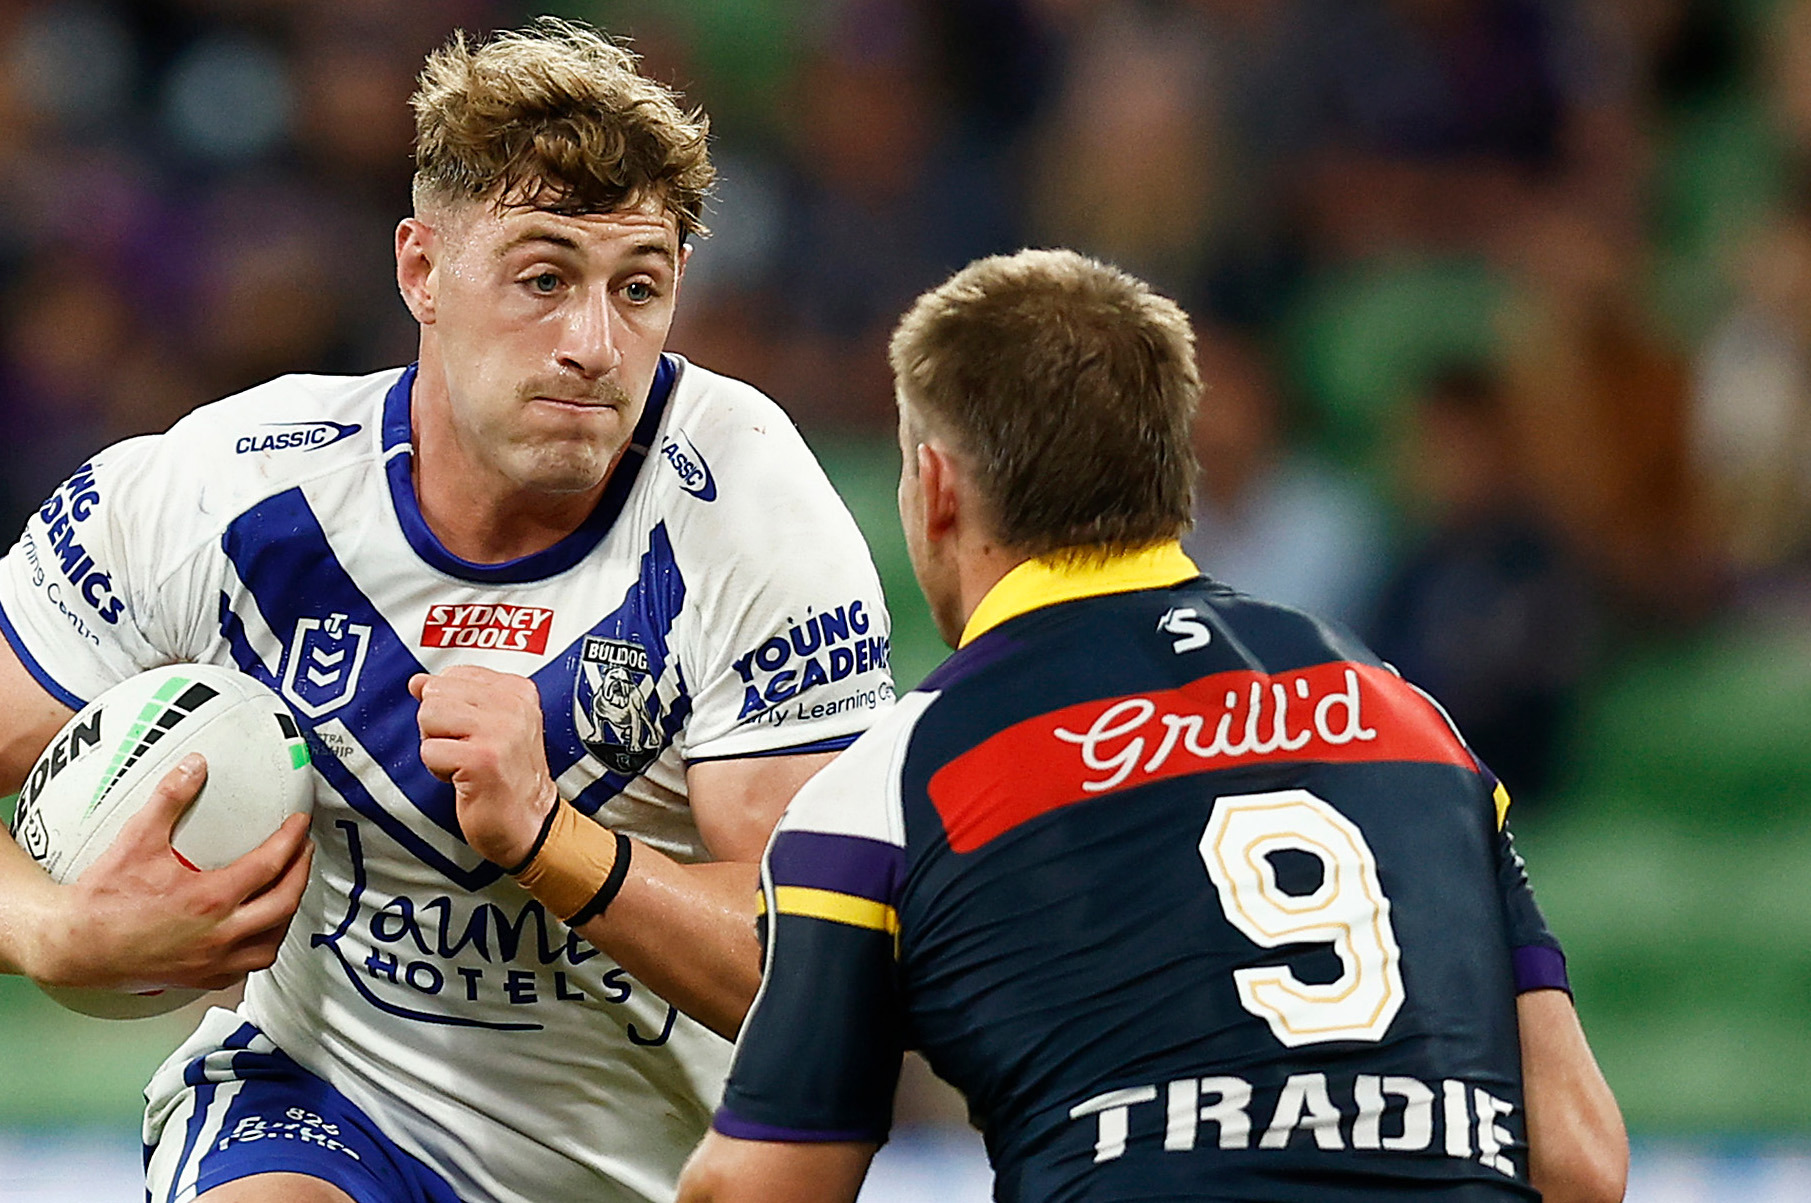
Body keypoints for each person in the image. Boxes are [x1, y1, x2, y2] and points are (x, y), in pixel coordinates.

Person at [0, 21, 896, 1203]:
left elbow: (811, 972)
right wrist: (47, 930)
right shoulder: (231, 490)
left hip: (656, 1170)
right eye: (542, 278)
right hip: (325, 1109)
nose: (594, 344)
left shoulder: (746, 510)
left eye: (640, 288)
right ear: (422, 270)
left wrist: (546, 839)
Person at [677, 250, 1628, 1203]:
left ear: (935, 487)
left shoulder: (886, 785)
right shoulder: (1414, 724)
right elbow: (1581, 1161)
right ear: (1172, 470)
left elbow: (759, 1190)